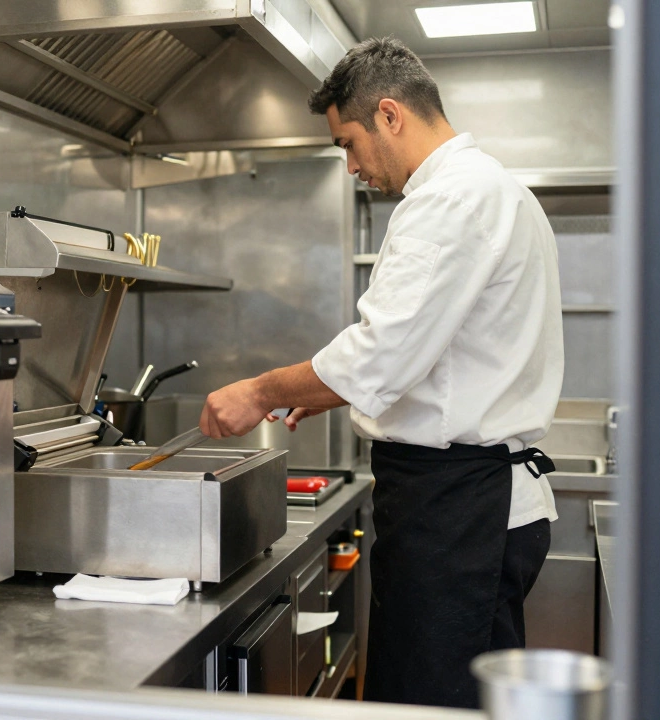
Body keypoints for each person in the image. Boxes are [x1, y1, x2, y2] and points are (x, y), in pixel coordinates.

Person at [198, 37, 564, 709]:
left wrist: (259, 390)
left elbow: (381, 352)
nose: (351, 166)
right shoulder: (491, 188)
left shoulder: (451, 199)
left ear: (389, 115)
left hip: (459, 512)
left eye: (348, 144)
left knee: (429, 707)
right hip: (466, 504)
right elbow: (425, 354)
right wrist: (328, 393)